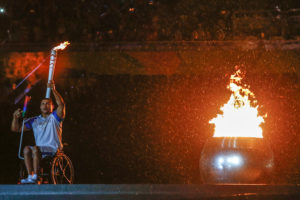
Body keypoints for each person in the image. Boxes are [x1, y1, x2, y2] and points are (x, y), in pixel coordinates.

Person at [11, 82, 65, 184]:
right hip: (39, 151)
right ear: (40, 107)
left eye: (48, 103)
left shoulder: (55, 118)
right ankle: (30, 176)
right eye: (43, 104)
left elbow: (61, 105)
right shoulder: (34, 120)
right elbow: (16, 129)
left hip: (52, 148)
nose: (45, 105)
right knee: (26, 149)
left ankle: (36, 176)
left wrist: (53, 89)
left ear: (52, 107)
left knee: (35, 148)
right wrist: (15, 118)